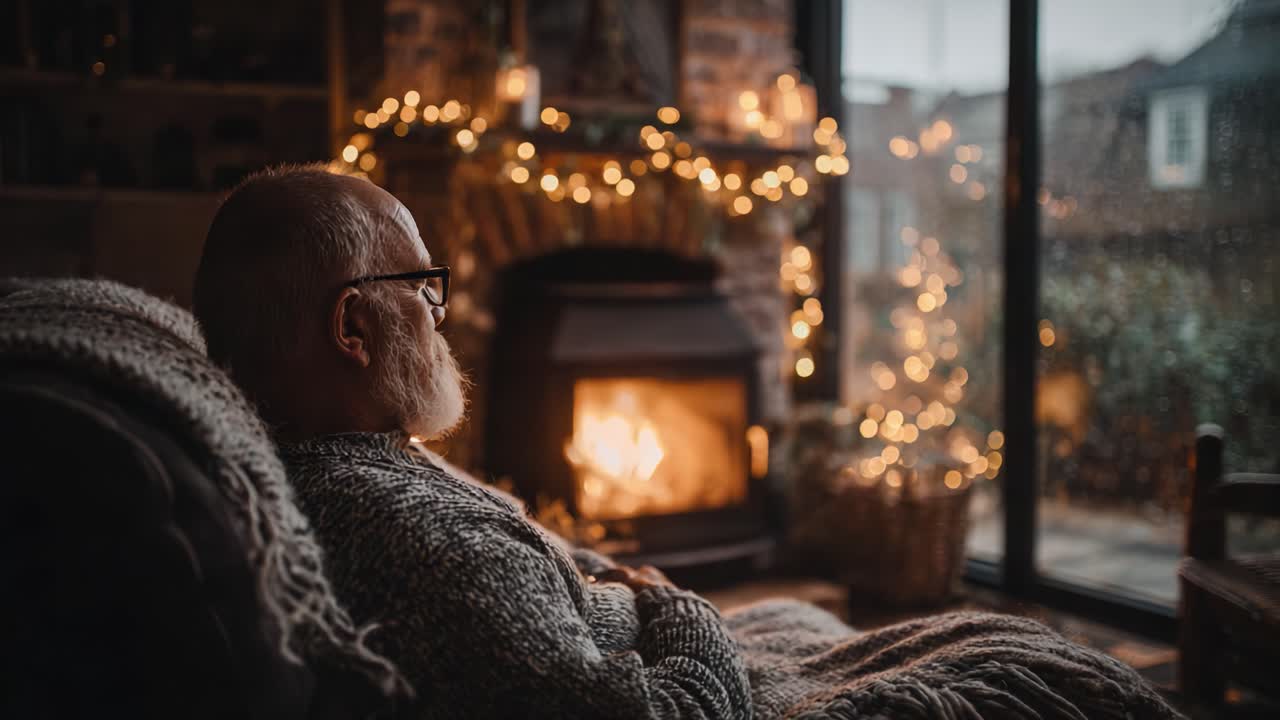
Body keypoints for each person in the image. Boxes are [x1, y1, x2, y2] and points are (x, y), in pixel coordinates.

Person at [194, 164, 1180, 720]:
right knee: (1041, 681)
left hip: (636, 638)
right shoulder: (429, 552)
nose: (442, 313)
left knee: (812, 611)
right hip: (694, 681)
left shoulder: (338, 465)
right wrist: (678, 609)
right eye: (423, 288)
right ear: (352, 330)